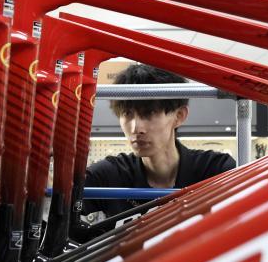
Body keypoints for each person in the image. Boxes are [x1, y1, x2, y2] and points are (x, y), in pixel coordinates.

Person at [81, 63, 236, 218]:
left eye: (149, 113)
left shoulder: (215, 170)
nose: (136, 128)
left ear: (179, 116)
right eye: (127, 114)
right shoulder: (108, 175)